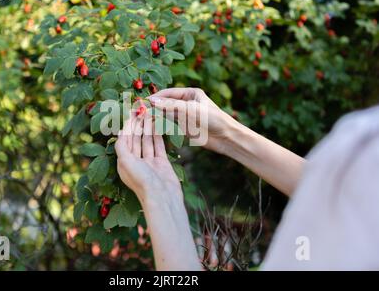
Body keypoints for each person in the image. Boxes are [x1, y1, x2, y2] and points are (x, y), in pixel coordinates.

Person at [114, 87, 379, 271]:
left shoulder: (363, 141)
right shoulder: (363, 147)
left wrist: (160, 196)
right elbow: (347, 192)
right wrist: (227, 134)